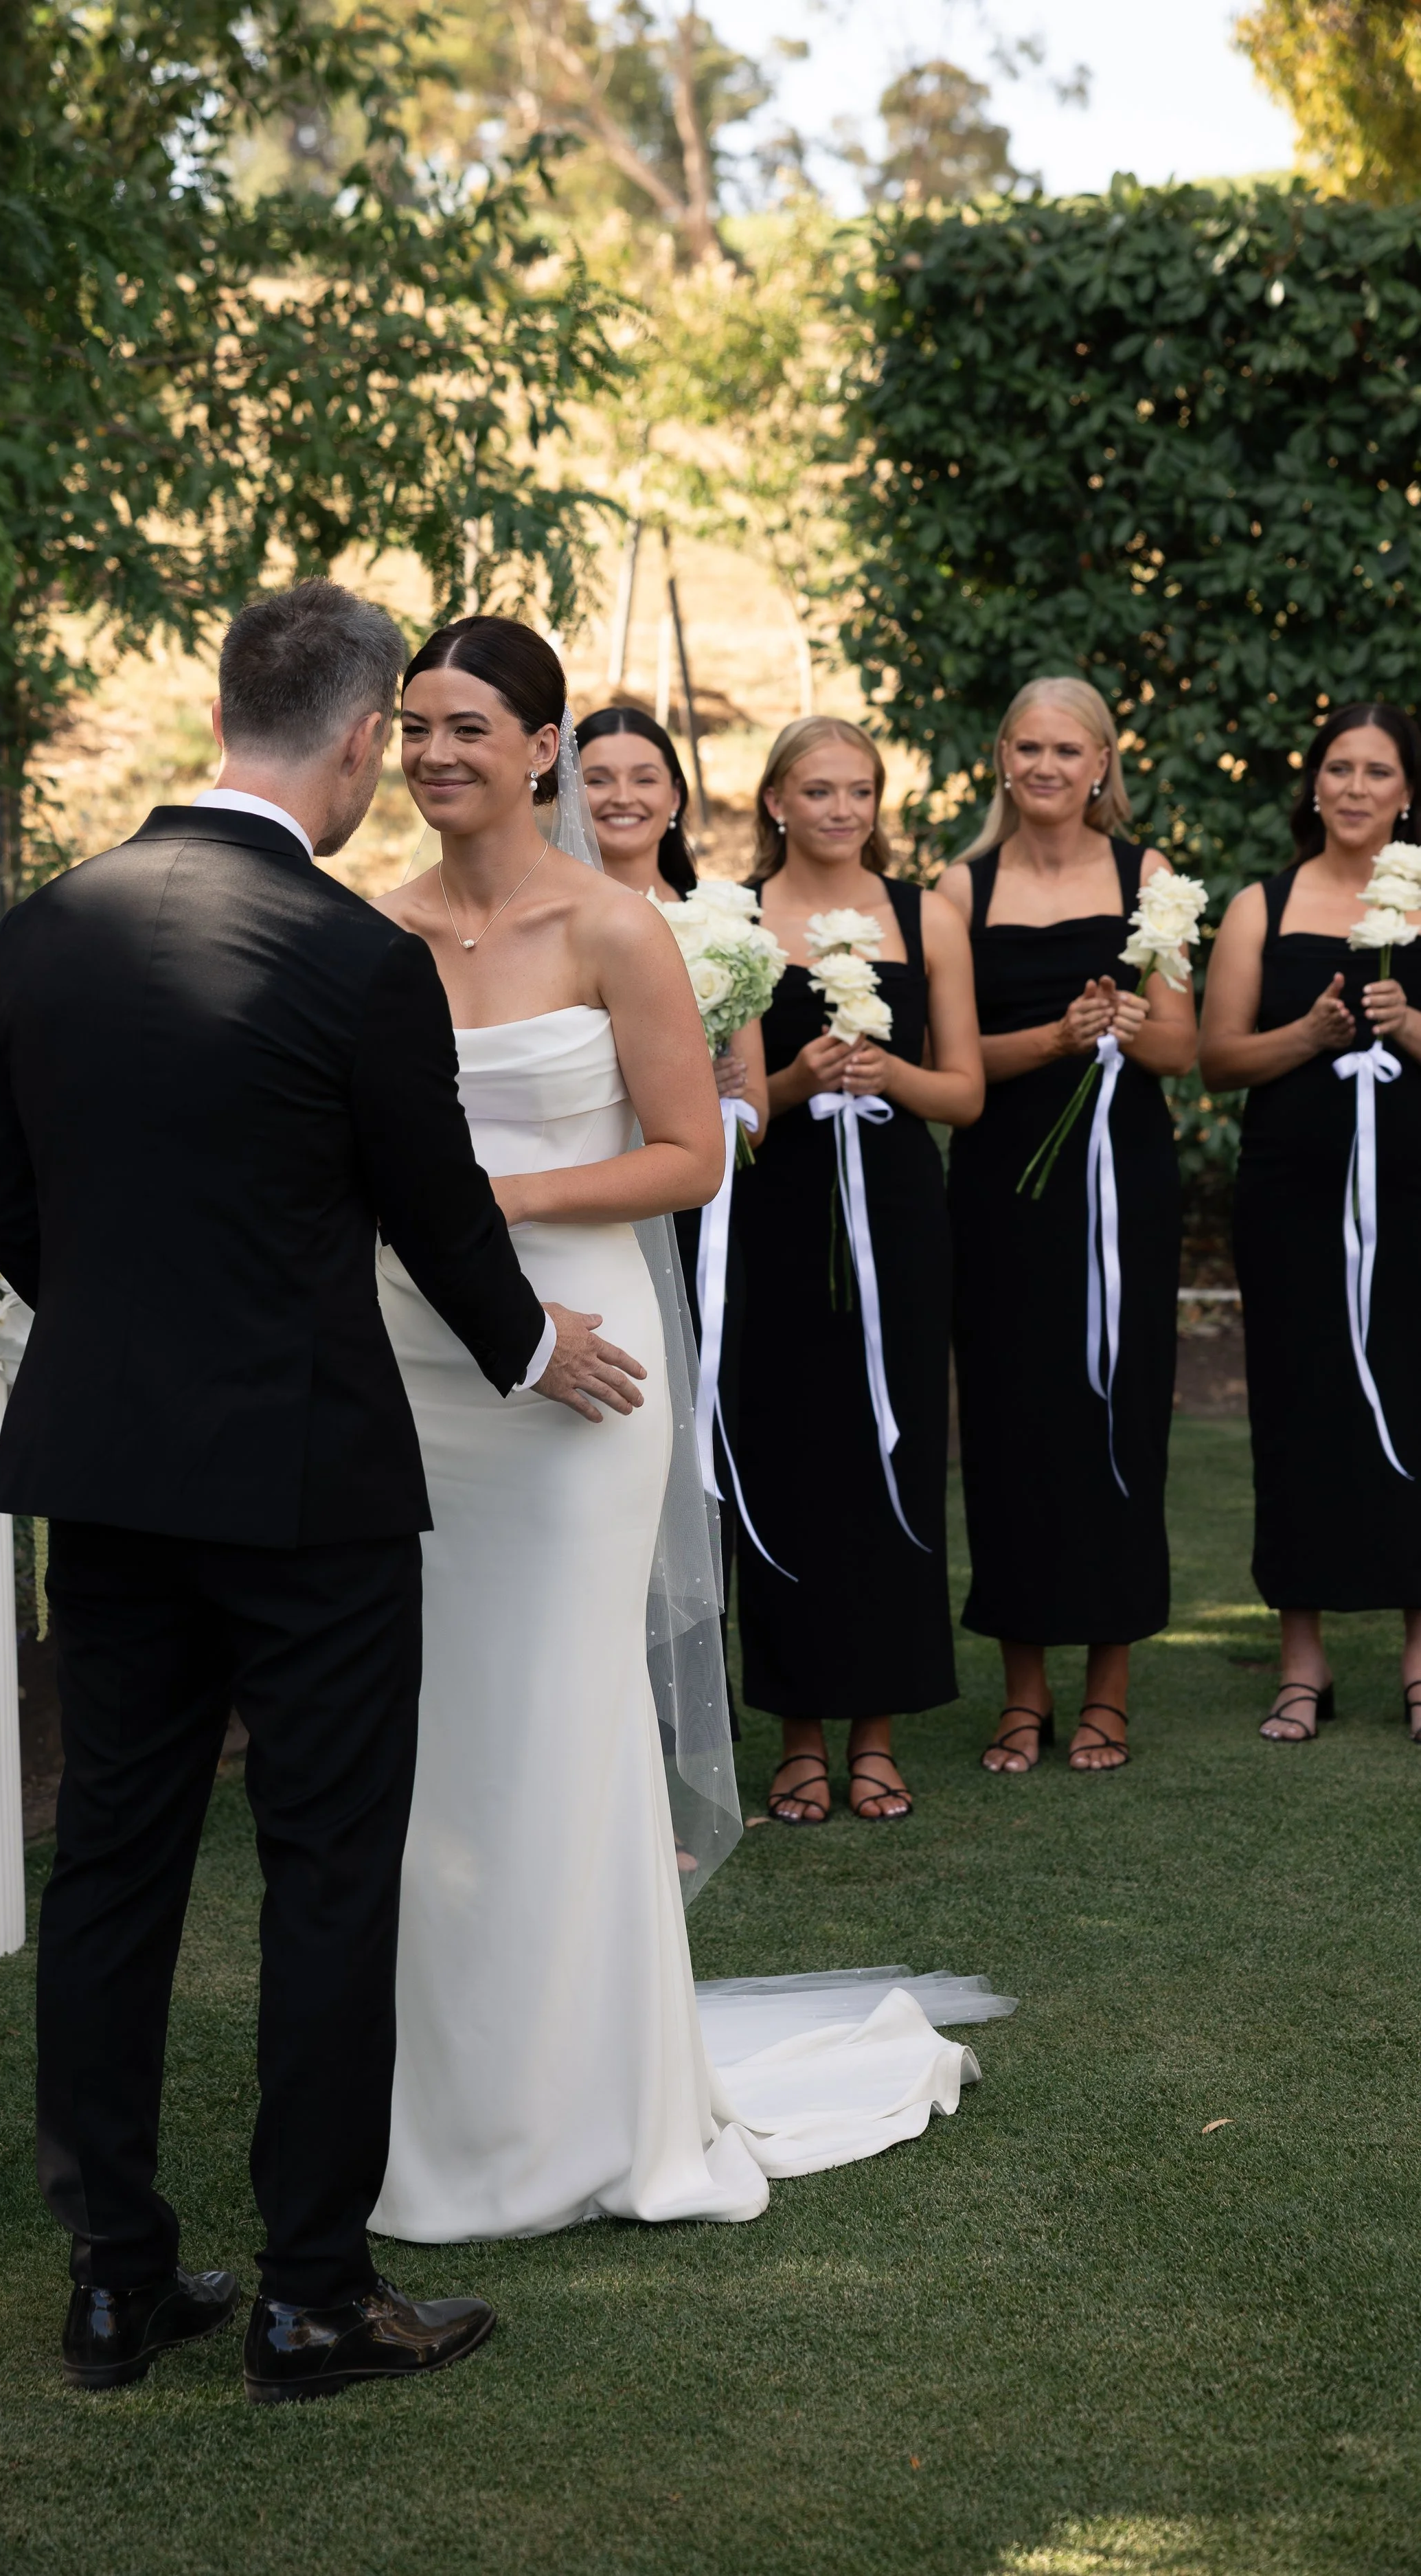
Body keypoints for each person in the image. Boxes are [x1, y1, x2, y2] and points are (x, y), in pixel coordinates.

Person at [0, 581, 645, 2404]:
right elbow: (433, 1206)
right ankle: (310, 2298)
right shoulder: (351, 957)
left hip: (105, 1474)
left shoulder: (43, 926)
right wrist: (525, 1354)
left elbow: (9, 1216)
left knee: (112, 1866)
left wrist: (137, 1359)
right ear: (356, 740)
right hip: (312, 1479)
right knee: (330, 1873)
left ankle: (114, 2283)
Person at [370, 618, 998, 2245]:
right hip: (420, 1370)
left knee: (563, 1714)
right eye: (413, 723)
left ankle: (604, 2103)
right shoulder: (366, 934)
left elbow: (689, 1157)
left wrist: (474, 1205)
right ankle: (449, 2104)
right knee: (441, 1733)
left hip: (589, 1369)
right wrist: (431, 1242)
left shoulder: (615, 930)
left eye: (470, 726)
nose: (437, 752)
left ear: (540, 747)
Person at [939, 677, 1196, 1775]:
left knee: (1118, 1413)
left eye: (1068, 750)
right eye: (1028, 748)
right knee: (1010, 1423)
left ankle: (1109, 1688)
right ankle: (1023, 1691)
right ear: (1002, 758)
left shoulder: (1152, 881)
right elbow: (948, 1064)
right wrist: (1053, 1037)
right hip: (1004, 1188)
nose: (1046, 767)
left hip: (1123, 1184)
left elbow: (1183, 1049)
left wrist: (1131, 1028)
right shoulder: (958, 888)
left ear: (1103, 764)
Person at [734, 717, 983, 1824]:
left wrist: (886, 1069)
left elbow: (964, 1093)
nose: (842, 809)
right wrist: (792, 1080)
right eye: (819, 789)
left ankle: (877, 1732)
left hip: (894, 1207)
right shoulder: (730, 916)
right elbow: (730, 1112)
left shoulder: (927, 914)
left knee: (893, 1453)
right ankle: (796, 1735)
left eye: (861, 790)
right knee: (789, 1457)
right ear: (776, 799)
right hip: (777, 1214)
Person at [1199, 701, 1421, 1741]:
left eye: (1378, 771)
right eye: (1340, 768)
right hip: (1294, 1192)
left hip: (1415, 1189)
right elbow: (1217, 1058)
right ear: (1314, 784)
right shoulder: (1264, 903)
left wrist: (1411, 1024)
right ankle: (1303, 1657)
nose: (1356, 787)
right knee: (1296, 1402)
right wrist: (1308, 1034)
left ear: (1408, 792)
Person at [578, 705, 767, 1761]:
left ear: (676, 795)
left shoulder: (717, 928)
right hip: (583, 1217)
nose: (621, 796)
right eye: (597, 776)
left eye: (643, 775)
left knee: (681, 1465)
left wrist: (728, 1094)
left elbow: (753, 1113)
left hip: (694, 1236)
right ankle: (599, 1737)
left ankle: (689, 1728)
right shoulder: (541, 912)